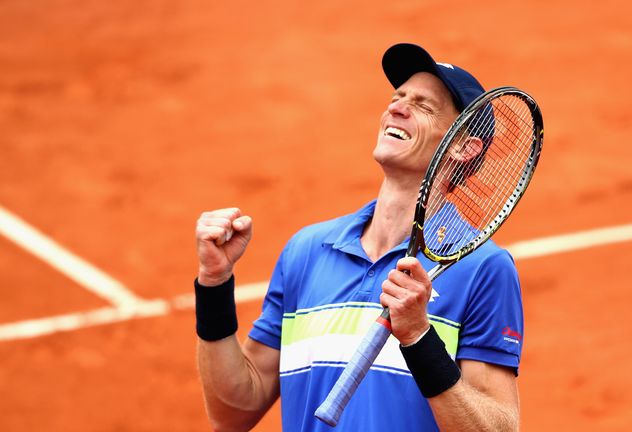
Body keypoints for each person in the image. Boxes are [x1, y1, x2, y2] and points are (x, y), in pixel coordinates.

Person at [194, 43, 524, 432]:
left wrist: (419, 336)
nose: (396, 108)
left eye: (423, 105)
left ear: (463, 147)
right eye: (397, 97)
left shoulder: (480, 268)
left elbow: (497, 428)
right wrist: (214, 285)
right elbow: (232, 411)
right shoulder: (307, 251)